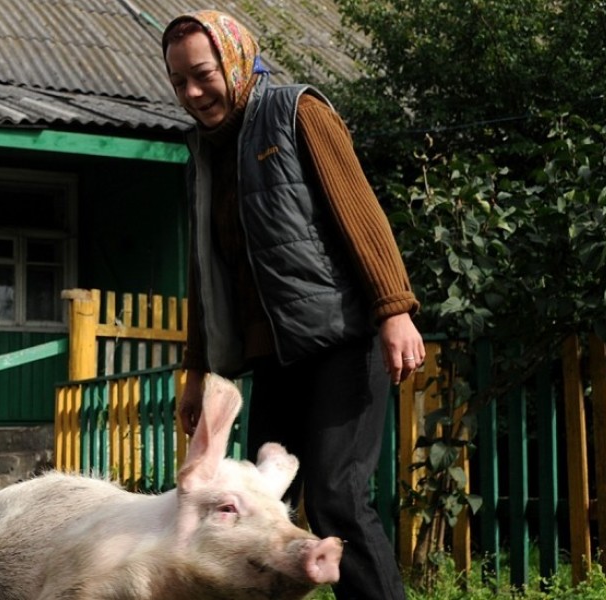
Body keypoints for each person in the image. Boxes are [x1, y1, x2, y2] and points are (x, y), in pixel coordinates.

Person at [162, 11, 423, 599]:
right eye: (179, 82)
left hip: (341, 340)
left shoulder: (296, 111)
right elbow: (207, 274)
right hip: (274, 357)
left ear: (233, 59)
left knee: (335, 496)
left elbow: (358, 210)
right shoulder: (204, 155)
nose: (194, 93)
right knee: (258, 501)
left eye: (203, 74)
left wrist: (394, 308)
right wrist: (198, 373)